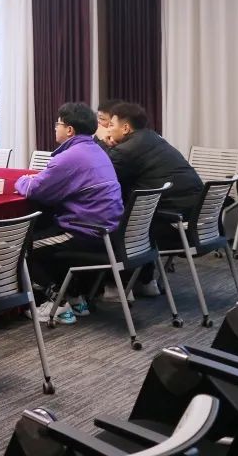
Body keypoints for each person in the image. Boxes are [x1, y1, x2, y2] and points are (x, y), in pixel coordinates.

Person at [15, 103, 125, 322]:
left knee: (22, 248)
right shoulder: (97, 150)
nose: (55, 127)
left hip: (86, 232)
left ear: (69, 130)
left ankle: (58, 302)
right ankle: (76, 298)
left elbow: (35, 189)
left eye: (58, 124)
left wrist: (22, 180)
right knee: (48, 236)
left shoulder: (70, 157)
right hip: (109, 231)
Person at [106, 102, 203, 297]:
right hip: (195, 219)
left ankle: (118, 287)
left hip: (172, 222)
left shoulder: (126, 150)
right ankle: (145, 281)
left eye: (110, 125)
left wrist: (104, 145)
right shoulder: (155, 138)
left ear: (125, 128)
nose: (107, 129)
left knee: (114, 225)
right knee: (138, 214)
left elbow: (101, 176)